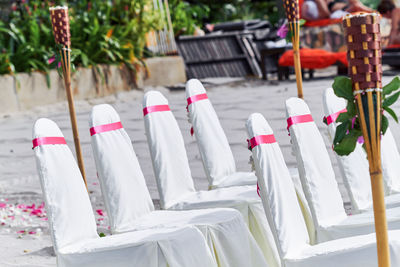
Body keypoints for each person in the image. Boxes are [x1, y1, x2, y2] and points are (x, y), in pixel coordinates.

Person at [302, 0, 373, 20]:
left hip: (343, 6)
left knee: (356, 5)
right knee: (356, 6)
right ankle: (371, 11)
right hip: (339, 8)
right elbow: (326, 15)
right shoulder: (310, 4)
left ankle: (371, 11)